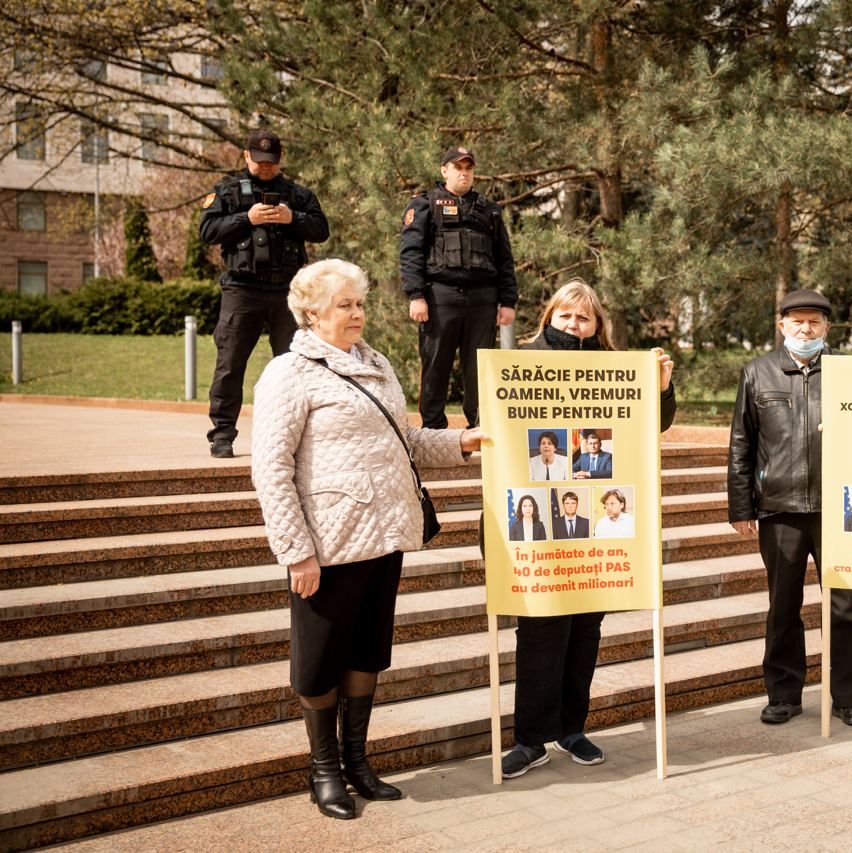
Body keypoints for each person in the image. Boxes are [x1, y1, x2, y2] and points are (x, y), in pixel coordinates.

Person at [251, 259, 484, 819]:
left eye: (359, 304)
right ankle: (324, 770)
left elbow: (403, 439)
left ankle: (357, 762)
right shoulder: (289, 372)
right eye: (344, 306)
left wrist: (464, 443)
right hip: (328, 544)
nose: (357, 314)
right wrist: (296, 551)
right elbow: (270, 467)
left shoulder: (375, 362)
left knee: (366, 653)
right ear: (312, 313)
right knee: (318, 660)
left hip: (383, 537)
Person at [501, 278, 675, 779]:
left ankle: (572, 729)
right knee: (540, 630)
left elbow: (653, 425)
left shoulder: (616, 368)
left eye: (584, 318)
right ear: (548, 317)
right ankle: (530, 739)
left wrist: (660, 388)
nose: (574, 325)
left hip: (596, 523)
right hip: (539, 519)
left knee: (585, 630)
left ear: (598, 325)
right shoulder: (522, 363)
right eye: (565, 316)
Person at [728, 288, 852, 729]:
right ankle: (784, 695)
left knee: (844, 607)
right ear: (782, 326)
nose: (805, 329)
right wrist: (740, 506)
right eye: (797, 322)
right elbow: (741, 443)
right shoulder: (757, 372)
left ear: (827, 327)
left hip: (838, 510)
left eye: (814, 322)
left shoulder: (848, 373)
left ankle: (847, 697)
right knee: (782, 607)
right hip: (779, 509)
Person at [201, 129, 329, 458]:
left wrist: (293, 217)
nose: (265, 167)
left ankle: (297, 432)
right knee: (230, 362)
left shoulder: (297, 194)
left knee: (295, 365)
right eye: (258, 161)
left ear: (279, 160)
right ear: (246, 156)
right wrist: (247, 218)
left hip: (287, 290)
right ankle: (222, 433)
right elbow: (207, 231)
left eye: (270, 162)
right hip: (242, 288)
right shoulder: (227, 191)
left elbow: (321, 230)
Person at [400, 146, 517, 430]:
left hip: (482, 300)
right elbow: (411, 252)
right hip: (440, 296)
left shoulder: (489, 209)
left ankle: (479, 428)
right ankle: (433, 430)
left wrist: (508, 301)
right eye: (458, 168)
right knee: (436, 365)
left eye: (468, 169)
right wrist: (416, 295)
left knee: (479, 369)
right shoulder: (424, 204)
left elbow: (504, 257)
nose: (464, 173)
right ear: (445, 171)